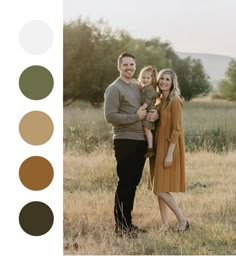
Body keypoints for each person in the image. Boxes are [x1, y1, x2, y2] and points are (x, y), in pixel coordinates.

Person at [104, 52, 158, 238]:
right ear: (119, 67)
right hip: (125, 140)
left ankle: (128, 223)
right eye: (125, 65)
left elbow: (150, 104)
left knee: (133, 183)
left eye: (131, 65)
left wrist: (154, 115)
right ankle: (121, 227)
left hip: (141, 141)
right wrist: (136, 117)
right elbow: (110, 117)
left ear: (135, 66)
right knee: (125, 182)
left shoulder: (137, 85)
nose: (129, 68)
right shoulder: (114, 89)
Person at [148, 68, 190, 232]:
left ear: (173, 82)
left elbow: (177, 129)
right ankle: (164, 225)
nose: (164, 82)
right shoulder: (159, 100)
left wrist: (170, 154)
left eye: (168, 79)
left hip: (169, 147)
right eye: (162, 79)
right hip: (157, 146)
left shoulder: (175, 101)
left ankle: (183, 220)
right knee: (159, 187)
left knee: (160, 189)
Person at [138, 65, 160, 158]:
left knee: (147, 130)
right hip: (146, 111)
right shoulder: (144, 88)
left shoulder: (150, 89)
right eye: (143, 77)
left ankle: (150, 148)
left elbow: (147, 101)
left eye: (148, 78)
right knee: (145, 129)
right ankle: (148, 145)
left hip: (149, 111)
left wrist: (142, 108)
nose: (145, 80)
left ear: (152, 79)